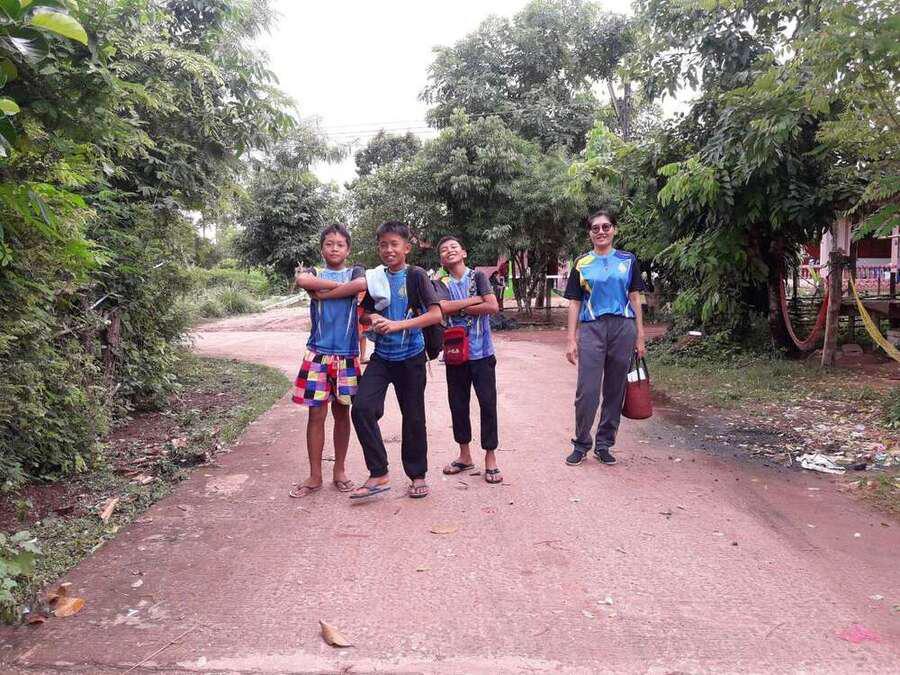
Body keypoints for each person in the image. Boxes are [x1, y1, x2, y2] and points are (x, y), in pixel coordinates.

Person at [311, 221, 442, 499]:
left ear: (407, 248)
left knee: (413, 417)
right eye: (383, 245)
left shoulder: (416, 275)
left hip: (411, 357)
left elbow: (435, 314)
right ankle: (379, 472)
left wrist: (396, 325)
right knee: (361, 409)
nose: (388, 250)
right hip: (382, 357)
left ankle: (417, 475)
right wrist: (374, 320)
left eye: (394, 244)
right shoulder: (376, 278)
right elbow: (364, 316)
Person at [563, 209, 646, 467]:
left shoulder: (628, 260)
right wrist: (571, 339)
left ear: (614, 230)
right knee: (587, 390)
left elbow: (635, 297)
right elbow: (575, 302)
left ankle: (604, 444)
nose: (601, 231)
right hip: (592, 328)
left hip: (623, 327)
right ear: (590, 233)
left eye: (606, 227)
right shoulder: (582, 263)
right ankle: (581, 443)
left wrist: (640, 336)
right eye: (596, 228)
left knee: (615, 389)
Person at [289, 224, 364, 497]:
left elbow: (361, 285)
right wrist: (341, 289)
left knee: (343, 414)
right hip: (317, 354)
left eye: (340, 244)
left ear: (348, 249)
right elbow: (303, 281)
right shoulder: (314, 272)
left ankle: (339, 471)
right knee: (316, 415)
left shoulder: (355, 271)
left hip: (347, 355)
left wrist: (324, 293)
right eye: (329, 244)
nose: (334, 248)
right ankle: (315, 475)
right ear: (322, 248)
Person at [435, 236, 503, 484]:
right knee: (458, 404)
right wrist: (475, 300)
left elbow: (492, 306)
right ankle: (464, 456)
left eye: (454, 247)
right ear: (441, 260)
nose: (449, 251)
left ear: (463, 252)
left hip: (482, 352)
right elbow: (442, 308)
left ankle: (490, 457)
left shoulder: (478, 277)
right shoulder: (440, 282)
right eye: (444, 250)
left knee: (488, 404)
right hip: (455, 354)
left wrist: (459, 307)